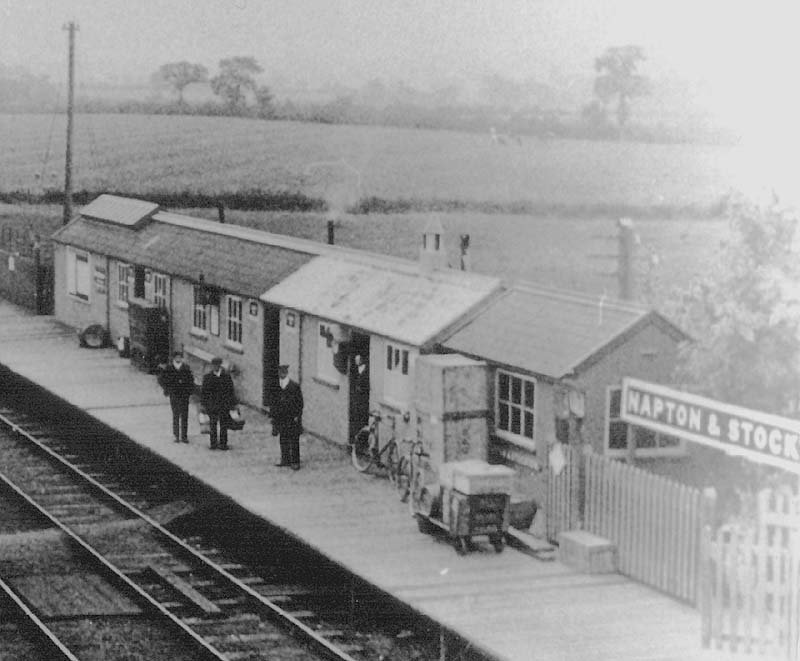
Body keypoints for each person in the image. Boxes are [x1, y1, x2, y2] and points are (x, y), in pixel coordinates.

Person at [201, 357, 237, 451]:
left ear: (220, 366)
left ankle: (223, 444)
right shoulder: (207, 377)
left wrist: (232, 404)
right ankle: (213, 443)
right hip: (212, 405)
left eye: (217, 365)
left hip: (223, 405)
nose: (215, 367)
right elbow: (204, 392)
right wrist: (204, 404)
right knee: (213, 425)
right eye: (213, 365)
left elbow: (231, 391)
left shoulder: (226, 377)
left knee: (224, 425)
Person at [272, 364, 304, 470]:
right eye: (280, 372)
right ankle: (285, 459)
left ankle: (295, 461)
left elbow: (300, 403)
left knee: (294, 439)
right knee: (283, 438)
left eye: (283, 372)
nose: (281, 374)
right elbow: (274, 403)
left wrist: (297, 416)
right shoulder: (276, 387)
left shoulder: (294, 386)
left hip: (292, 417)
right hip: (281, 417)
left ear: (286, 373)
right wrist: (274, 417)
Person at [158, 350, 195, 443]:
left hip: (184, 395)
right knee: (176, 415)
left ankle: (184, 436)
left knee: (184, 415)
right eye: (177, 357)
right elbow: (161, 379)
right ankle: (176, 435)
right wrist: (167, 389)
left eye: (180, 357)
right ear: (174, 358)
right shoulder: (169, 368)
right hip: (174, 394)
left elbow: (191, 380)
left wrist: (189, 391)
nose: (178, 359)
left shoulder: (186, 368)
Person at [351, 353, 370, 434]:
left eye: (358, 360)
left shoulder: (366, 370)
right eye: (356, 360)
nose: (356, 362)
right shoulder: (355, 370)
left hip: (363, 397)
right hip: (357, 397)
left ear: (361, 360)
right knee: (356, 414)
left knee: (362, 414)